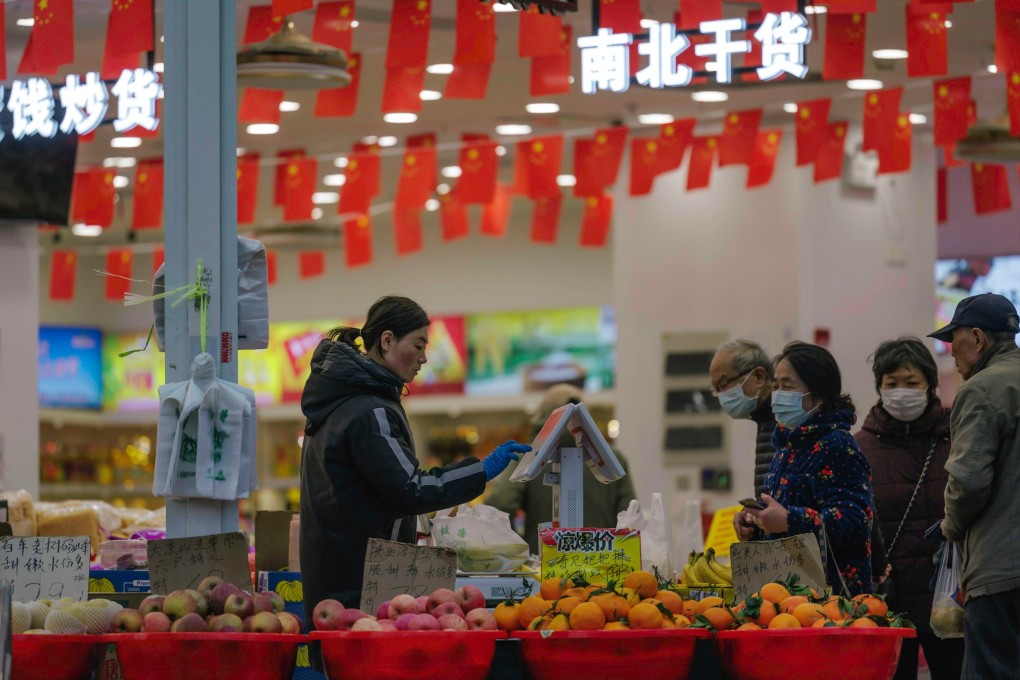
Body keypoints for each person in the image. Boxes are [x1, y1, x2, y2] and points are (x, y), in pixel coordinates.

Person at [299, 296, 530, 669]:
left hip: (336, 577)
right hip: (361, 583)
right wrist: (482, 470)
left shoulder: (341, 401)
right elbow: (410, 488)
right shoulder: (370, 410)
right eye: (419, 345)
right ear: (387, 341)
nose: (424, 357)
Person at [855, 337, 962, 680]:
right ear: (879, 388)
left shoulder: (958, 436)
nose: (901, 391)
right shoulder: (861, 447)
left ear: (930, 385)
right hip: (890, 599)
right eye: (892, 383)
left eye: (912, 383)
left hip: (950, 594)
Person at [733, 341, 874, 595]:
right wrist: (756, 520)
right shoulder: (786, 448)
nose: (777, 394)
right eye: (775, 386)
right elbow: (781, 513)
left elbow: (856, 521)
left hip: (833, 603)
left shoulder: (838, 446)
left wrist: (789, 520)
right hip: (789, 596)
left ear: (818, 395)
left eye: (787, 386)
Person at [930, 293, 1020, 679]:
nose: (951, 351)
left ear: (979, 338)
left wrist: (950, 526)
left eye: (956, 338)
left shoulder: (982, 389)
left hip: (1002, 572)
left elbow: (967, 482)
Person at [486, 383, 636, 554]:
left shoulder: (527, 455)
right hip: (601, 562)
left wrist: (517, 547)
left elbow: (500, 504)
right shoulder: (611, 457)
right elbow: (630, 513)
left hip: (543, 562)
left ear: (543, 414)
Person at [709, 339, 776, 499]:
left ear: (759, 377)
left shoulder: (786, 421)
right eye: (716, 389)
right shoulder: (765, 421)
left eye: (724, 383)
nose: (721, 395)